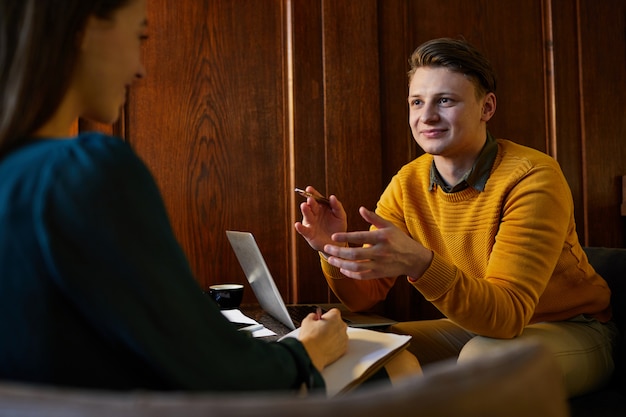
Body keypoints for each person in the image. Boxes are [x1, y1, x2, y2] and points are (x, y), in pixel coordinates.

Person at [0, 0, 349, 392]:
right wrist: (306, 351)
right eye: (139, 37)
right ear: (83, 30)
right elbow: (217, 372)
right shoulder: (82, 172)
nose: (140, 69)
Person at [295, 37, 617, 397]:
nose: (426, 116)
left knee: (483, 360)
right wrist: (332, 250)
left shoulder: (532, 176)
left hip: (571, 329)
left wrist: (421, 264)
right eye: (417, 102)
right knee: (356, 346)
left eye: (445, 100)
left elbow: (508, 315)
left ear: (487, 107)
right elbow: (363, 297)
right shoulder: (408, 182)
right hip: (477, 326)